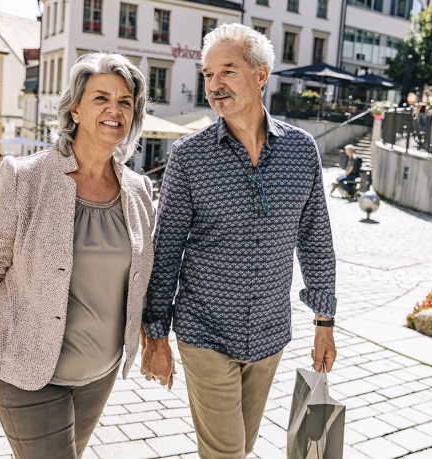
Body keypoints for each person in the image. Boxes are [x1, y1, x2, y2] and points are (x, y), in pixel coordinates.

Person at [0, 53, 155, 459]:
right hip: (26, 373)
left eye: (125, 101)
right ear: (76, 108)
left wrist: (155, 339)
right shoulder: (26, 177)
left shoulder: (138, 191)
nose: (114, 110)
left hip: (99, 375)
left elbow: (140, 279)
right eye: (101, 98)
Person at [141, 23, 337, 459]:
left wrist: (325, 323)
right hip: (203, 329)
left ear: (261, 75)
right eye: (208, 75)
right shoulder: (189, 157)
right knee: (226, 452)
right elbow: (166, 247)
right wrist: (156, 335)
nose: (214, 85)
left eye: (227, 71)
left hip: (269, 333)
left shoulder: (301, 150)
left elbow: (316, 239)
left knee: (242, 446)